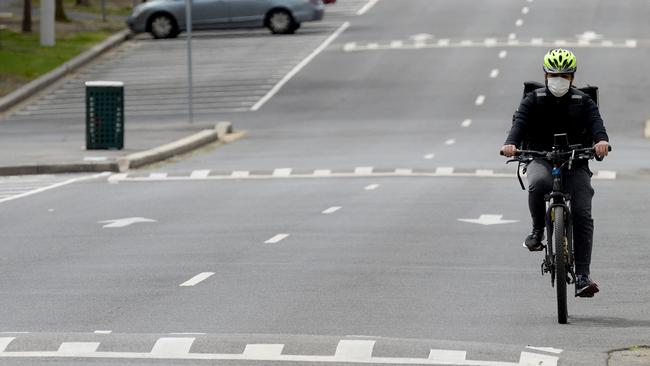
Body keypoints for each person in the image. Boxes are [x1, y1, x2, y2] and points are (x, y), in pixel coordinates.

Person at [500, 48, 610, 298]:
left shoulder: (583, 101)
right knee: (538, 184)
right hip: (541, 158)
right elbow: (519, 124)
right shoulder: (534, 99)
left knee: (582, 213)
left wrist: (601, 141)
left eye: (564, 75)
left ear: (572, 77)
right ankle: (537, 231)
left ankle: (582, 275)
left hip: (575, 161)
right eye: (553, 74)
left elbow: (597, 126)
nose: (558, 79)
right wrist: (510, 145)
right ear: (545, 74)